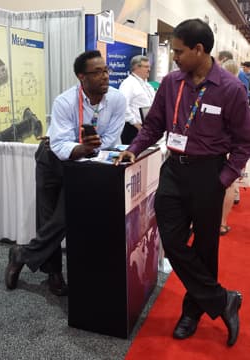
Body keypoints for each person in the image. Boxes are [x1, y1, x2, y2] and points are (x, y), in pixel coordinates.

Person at [115, 19, 250, 346]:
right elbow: (154, 125)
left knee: (205, 248)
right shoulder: (172, 83)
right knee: (172, 240)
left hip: (208, 174)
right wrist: (133, 149)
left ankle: (192, 311)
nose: (173, 57)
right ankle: (221, 300)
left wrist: (224, 178)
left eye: (178, 51)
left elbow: (244, 142)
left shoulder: (231, 89)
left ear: (199, 50)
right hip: (174, 171)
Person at [5, 50, 126, 296]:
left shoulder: (116, 99)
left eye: (106, 71)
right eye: (98, 72)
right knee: (48, 217)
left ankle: (22, 253)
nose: (105, 76)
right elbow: (59, 144)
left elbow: (112, 137)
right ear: (82, 77)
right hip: (52, 159)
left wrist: (91, 151)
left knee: (64, 218)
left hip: (85, 161)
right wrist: (82, 148)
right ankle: (54, 273)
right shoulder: (65, 101)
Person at [220, 59, 240, 235]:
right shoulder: (239, 87)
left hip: (225, 143)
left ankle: (221, 222)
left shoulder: (230, 88)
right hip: (228, 143)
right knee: (230, 184)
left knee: (228, 184)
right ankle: (222, 223)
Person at [119, 55, 155, 144]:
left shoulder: (148, 85)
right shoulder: (128, 84)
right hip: (133, 128)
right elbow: (123, 105)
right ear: (136, 68)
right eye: (146, 67)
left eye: (149, 67)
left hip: (146, 128)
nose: (149, 69)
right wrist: (135, 123)